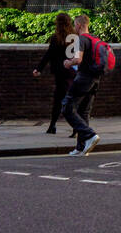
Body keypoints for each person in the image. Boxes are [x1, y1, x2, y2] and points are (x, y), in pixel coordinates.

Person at [60, 23, 102, 156]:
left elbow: (78, 59)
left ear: (79, 25)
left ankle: (90, 135)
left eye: (74, 25)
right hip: (95, 79)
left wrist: (68, 62)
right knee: (83, 112)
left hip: (83, 79)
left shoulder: (81, 39)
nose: (74, 28)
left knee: (67, 107)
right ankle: (81, 147)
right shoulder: (95, 39)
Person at [32, 12, 76, 135]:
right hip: (73, 72)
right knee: (72, 100)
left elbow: (49, 55)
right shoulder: (75, 37)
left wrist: (39, 69)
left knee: (58, 100)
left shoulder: (55, 38)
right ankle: (73, 128)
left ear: (58, 23)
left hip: (60, 73)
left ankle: (53, 126)